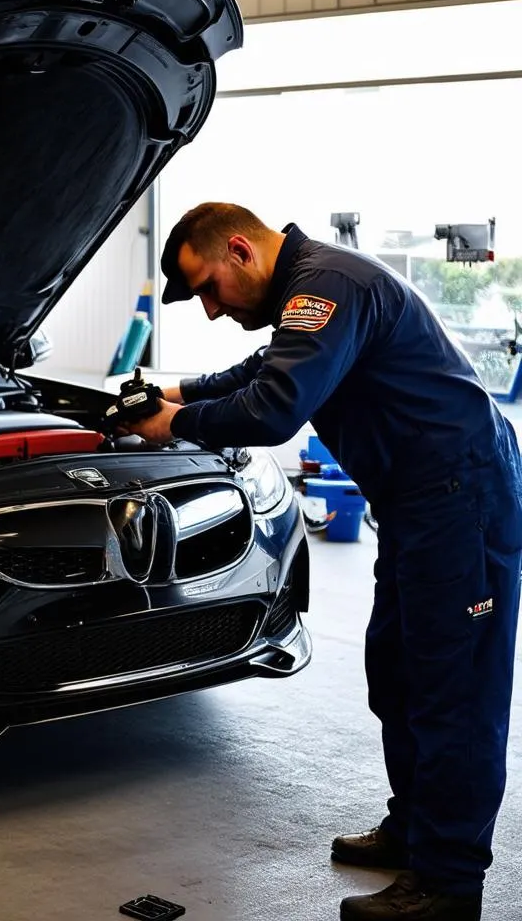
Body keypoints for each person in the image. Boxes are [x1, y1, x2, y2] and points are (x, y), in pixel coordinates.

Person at [124, 201, 522, 921]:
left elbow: (274, 408)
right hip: (416, 504)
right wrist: (179, 391)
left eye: (209, 286)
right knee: (399, 672)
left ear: (240, 250)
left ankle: (449, 884)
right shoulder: (309, 296)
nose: (211, 309)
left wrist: (174, 423)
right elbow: (262, 368)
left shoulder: (327, 286)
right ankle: (418, 833)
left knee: (454, 692)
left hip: (462, 502)